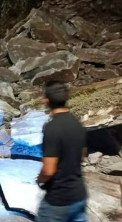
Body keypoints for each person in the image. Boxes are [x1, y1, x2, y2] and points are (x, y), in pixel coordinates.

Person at [36, 81, 87, 222]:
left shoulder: (52, 127)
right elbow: (82, 156)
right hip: (79, 195)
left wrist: (40, 179)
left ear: (47, 101)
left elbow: (48, 170)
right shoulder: (77, 124)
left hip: (58, 200)